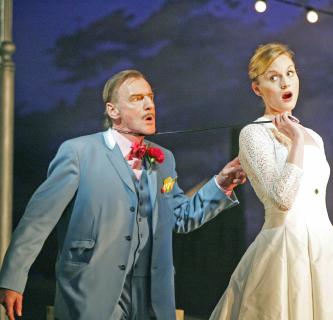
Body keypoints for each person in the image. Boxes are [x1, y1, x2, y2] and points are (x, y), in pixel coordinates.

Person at [0, 69, 246, 320]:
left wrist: (221, 183)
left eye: (150, 97)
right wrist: (12, 279)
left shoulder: (164, 161)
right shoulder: (78, 152)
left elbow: (181, 217)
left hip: (150, 296)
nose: (149, 104)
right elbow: (37, 221)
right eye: (137, 98)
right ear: (113, 111)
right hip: (91, 289)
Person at [210, 43, 333, 319]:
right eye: (273, 77)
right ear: (257, 88)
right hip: (283, 249)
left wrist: (299, 135)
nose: (286, 82)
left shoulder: (314, 136)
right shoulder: (253, 134)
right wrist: (295, 141)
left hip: (325, 248)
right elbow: (281, 199)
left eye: (290, 73)